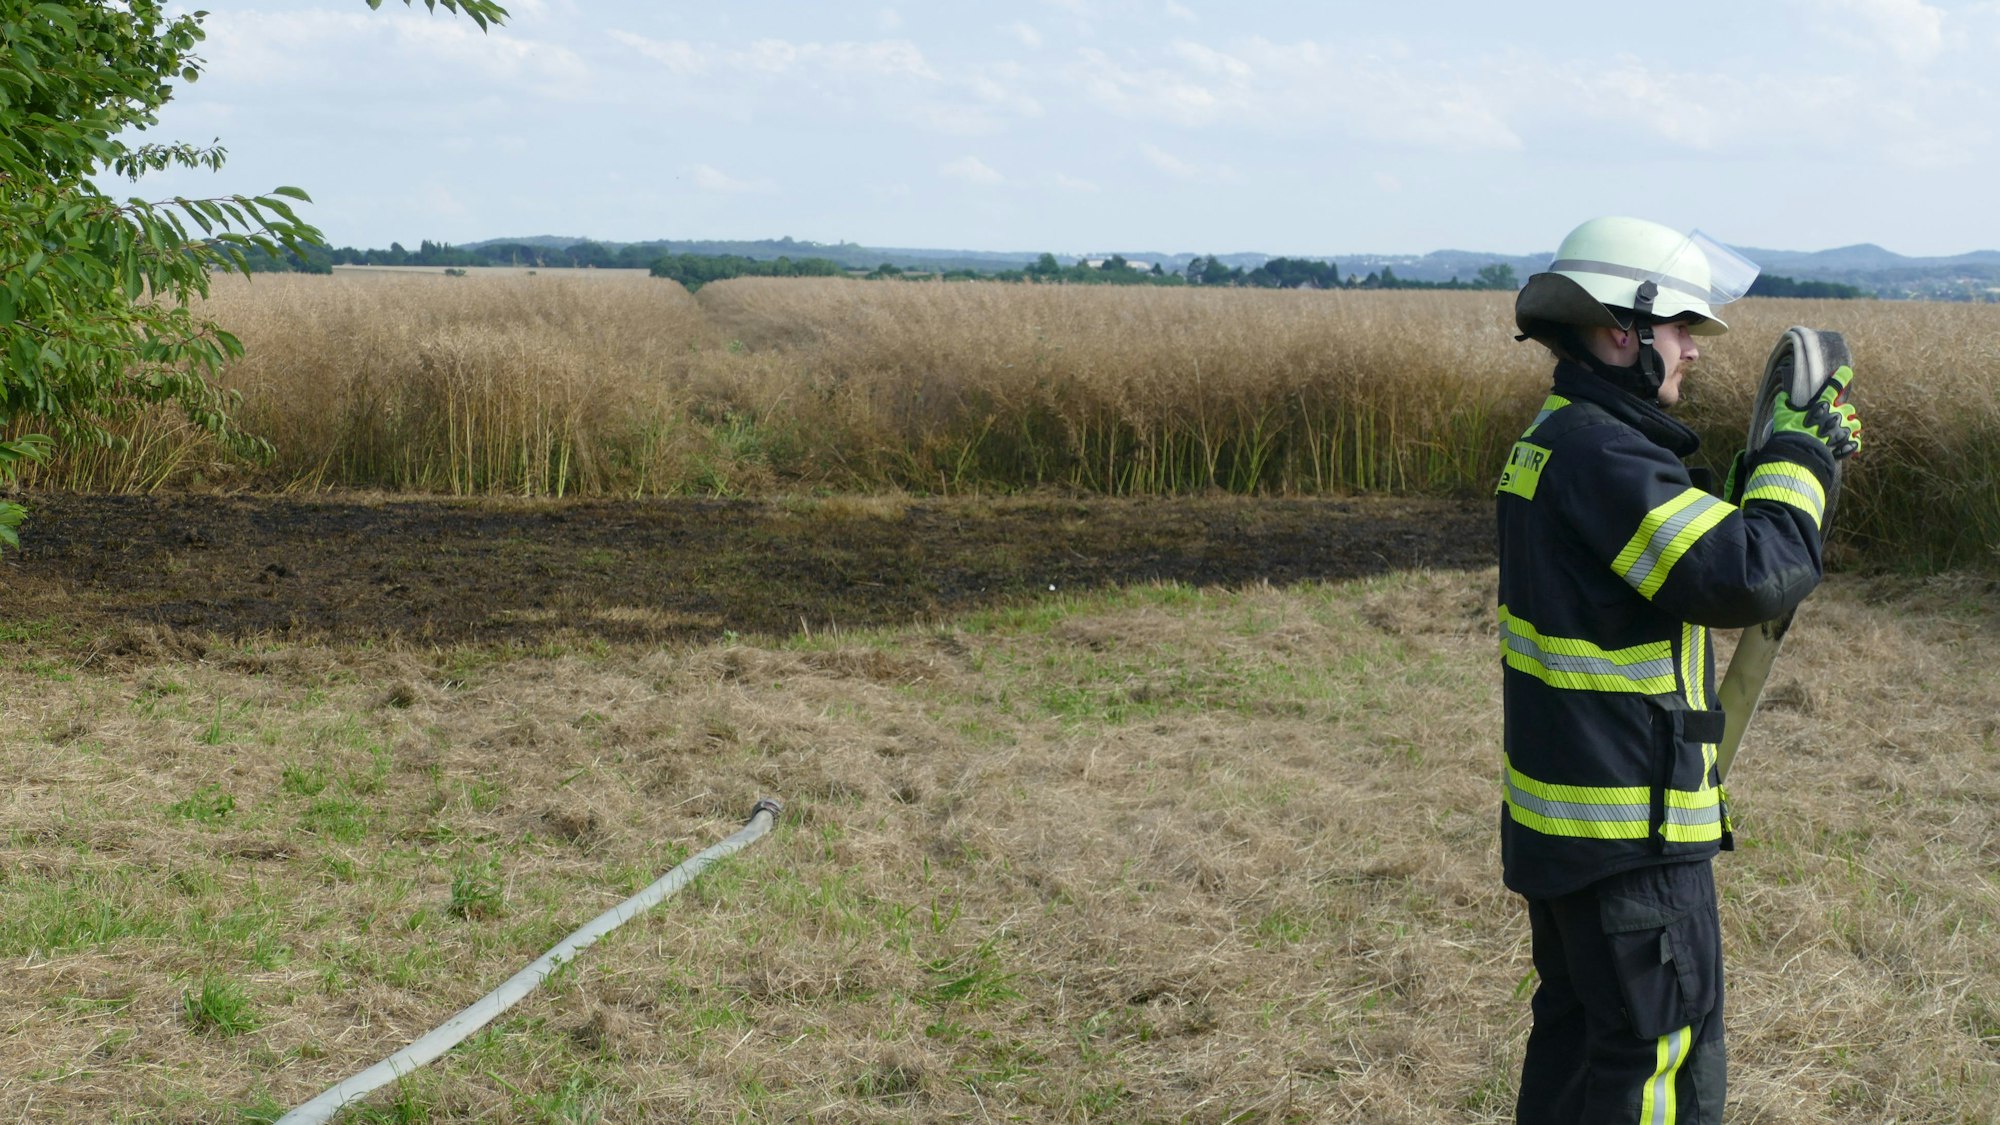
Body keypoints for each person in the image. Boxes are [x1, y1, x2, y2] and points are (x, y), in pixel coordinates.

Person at [1497, 216, 1862, 1124]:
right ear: (1625, 328)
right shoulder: (1603, 453)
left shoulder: (1565, 437)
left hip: (1572, 830)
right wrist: (1800, 456)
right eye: (1683, 329)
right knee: (1658, 1064)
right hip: (1633, 846)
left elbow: (1683, 555)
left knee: (1580, 1056)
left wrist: (1769, 467)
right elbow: (1744, 574)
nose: (1694, 350)